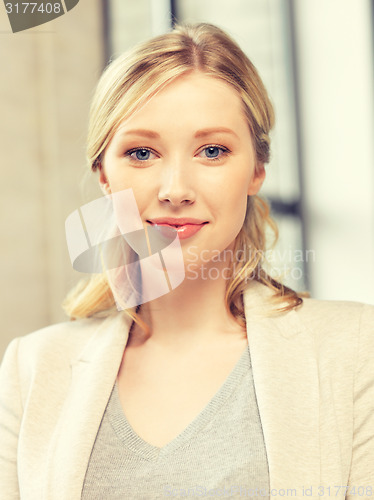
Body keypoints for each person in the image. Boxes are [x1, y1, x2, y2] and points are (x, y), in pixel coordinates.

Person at [0, 22, 373, 500]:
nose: (175, 190)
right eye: (141, 152)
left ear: (257, 170)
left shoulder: (356, 350)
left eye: (212, 151)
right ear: (104, 177)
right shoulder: (33, 368)